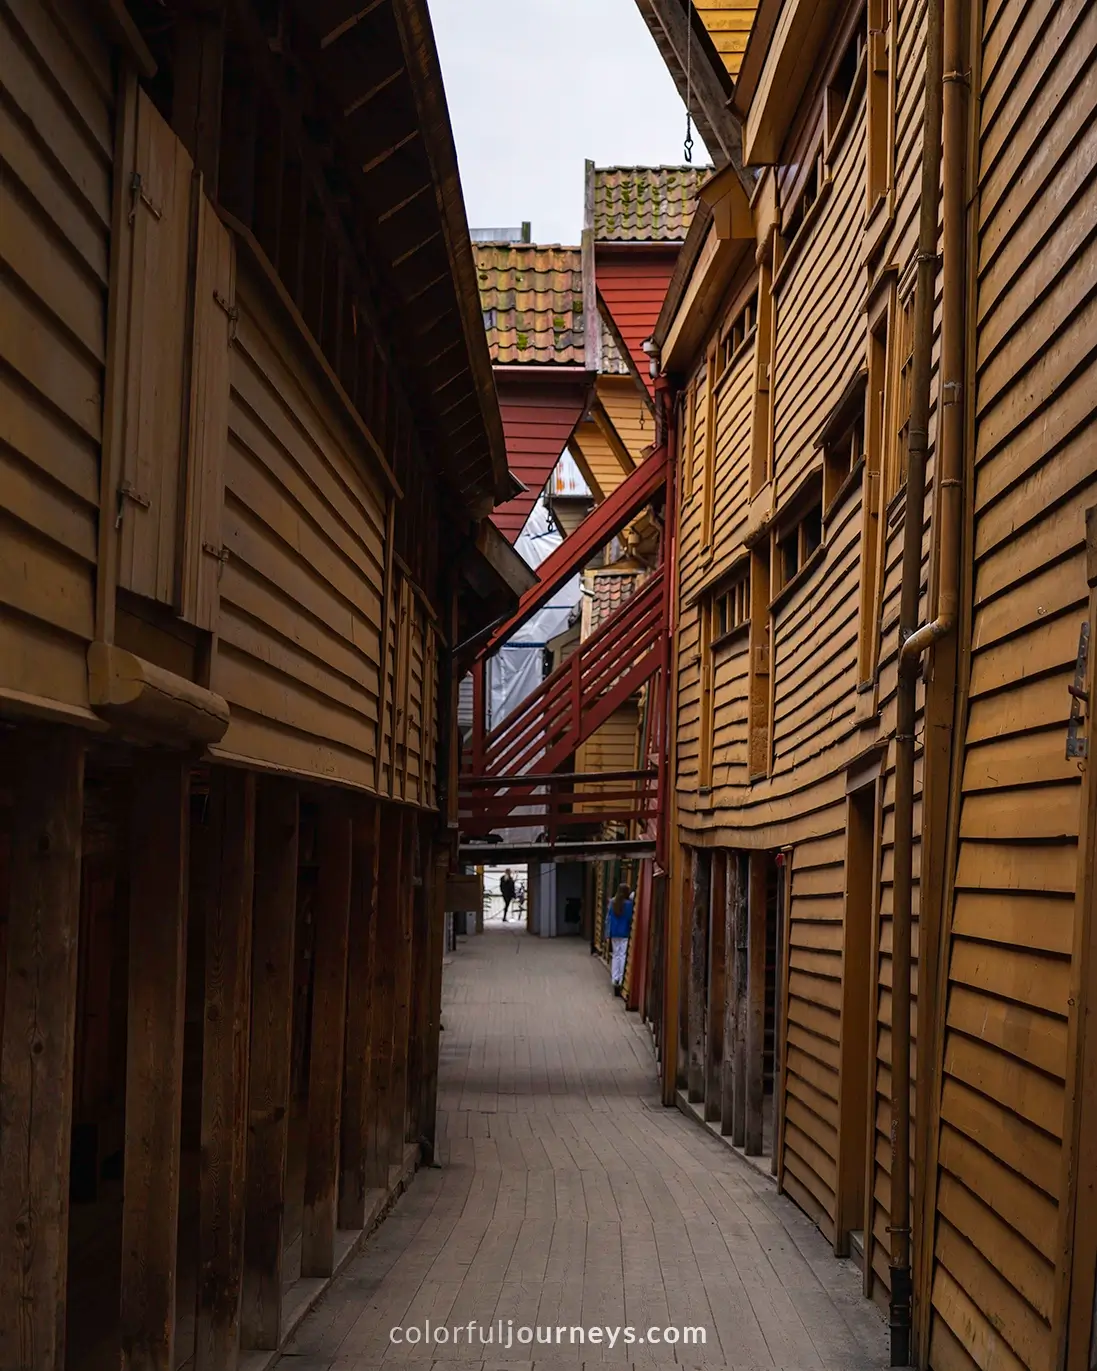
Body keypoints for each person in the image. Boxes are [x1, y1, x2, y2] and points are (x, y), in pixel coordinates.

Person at [605, 882, 634, 996]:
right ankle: (621, 979)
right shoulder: (628, 904)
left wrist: (607, 933)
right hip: (624, 933)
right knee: (622, 955)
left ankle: (614, 978)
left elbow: (609, 918)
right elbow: (630, 917)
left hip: (614, 932)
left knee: (616, 955)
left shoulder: (613, 903)